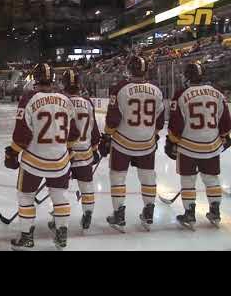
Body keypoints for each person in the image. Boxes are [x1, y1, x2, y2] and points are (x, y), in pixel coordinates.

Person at [5, 63, 80, 250]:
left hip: (34, 160)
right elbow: (74, 133)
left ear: (35, 79)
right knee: (60, 197)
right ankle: (62, 234)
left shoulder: (28, 99)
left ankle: (27, 236)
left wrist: (13, 152)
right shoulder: (65, 99)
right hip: (60, 160)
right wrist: (68, 150)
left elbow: (22, 133)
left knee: (25, 196)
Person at [99, 56, 165, 233]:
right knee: (148, 176)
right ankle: (149, 211)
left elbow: (113, 118)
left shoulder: (121, 88)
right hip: (147, 143)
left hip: (123, 142)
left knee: (118, 177)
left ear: (129, 70)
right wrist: (153, 135)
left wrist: (106, 135)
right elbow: (159, 122)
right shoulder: (156, 90)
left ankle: (119, 214)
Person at [166, 62, 231, 230]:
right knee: (211, 179)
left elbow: (175, 124)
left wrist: (172, 140)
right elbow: (225, 121)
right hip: (211, 145)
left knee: (188, 181)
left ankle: (189, 213)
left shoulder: (181, 94)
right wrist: (224, 136)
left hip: (188, 146)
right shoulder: (217, 94)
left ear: (187, 76)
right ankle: (215, 211)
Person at [59, 69, 100, 231]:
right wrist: (95, 147)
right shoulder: (88, 103)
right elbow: (94, 129)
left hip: (64, 153)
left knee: (59, 190)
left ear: (64, 84)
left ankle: (58, 219)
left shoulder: (60, 101)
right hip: (84, 151)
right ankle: (88, 213)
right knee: (86, 185)